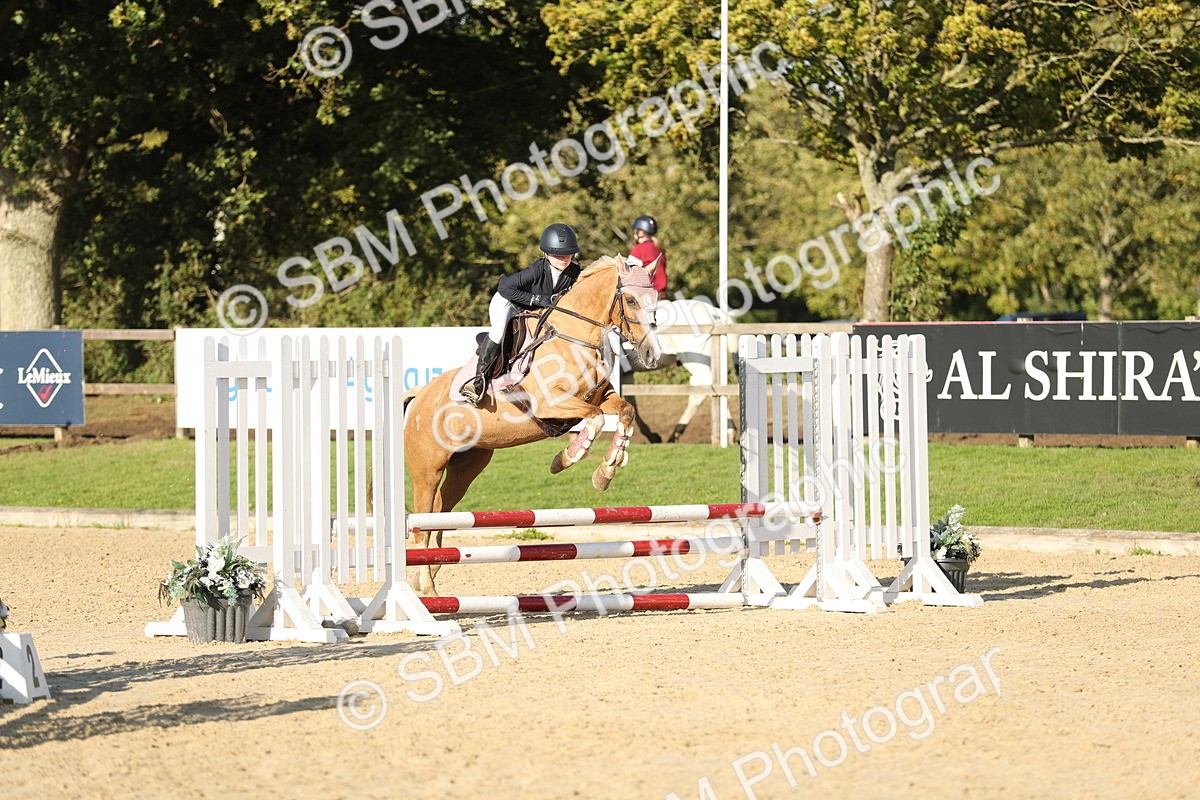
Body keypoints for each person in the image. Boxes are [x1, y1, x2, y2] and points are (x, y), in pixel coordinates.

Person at [462, 223, 583, 405]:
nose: (563, 258)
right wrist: (536, 299)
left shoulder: (575, 272)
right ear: (546, 254)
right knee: (499, 330)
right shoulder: (537, 269)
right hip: (508, 302)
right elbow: (504, 287)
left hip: (533, 312)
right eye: (557, 254)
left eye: (567, 254)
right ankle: (478, 381)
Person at [628, 214, 667, 300]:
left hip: (648, 297)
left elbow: (628, 276)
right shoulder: (659, 249)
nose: (634, 234)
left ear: (641, 233)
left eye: (636, 231)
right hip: (663, 296)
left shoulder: (638, 249)